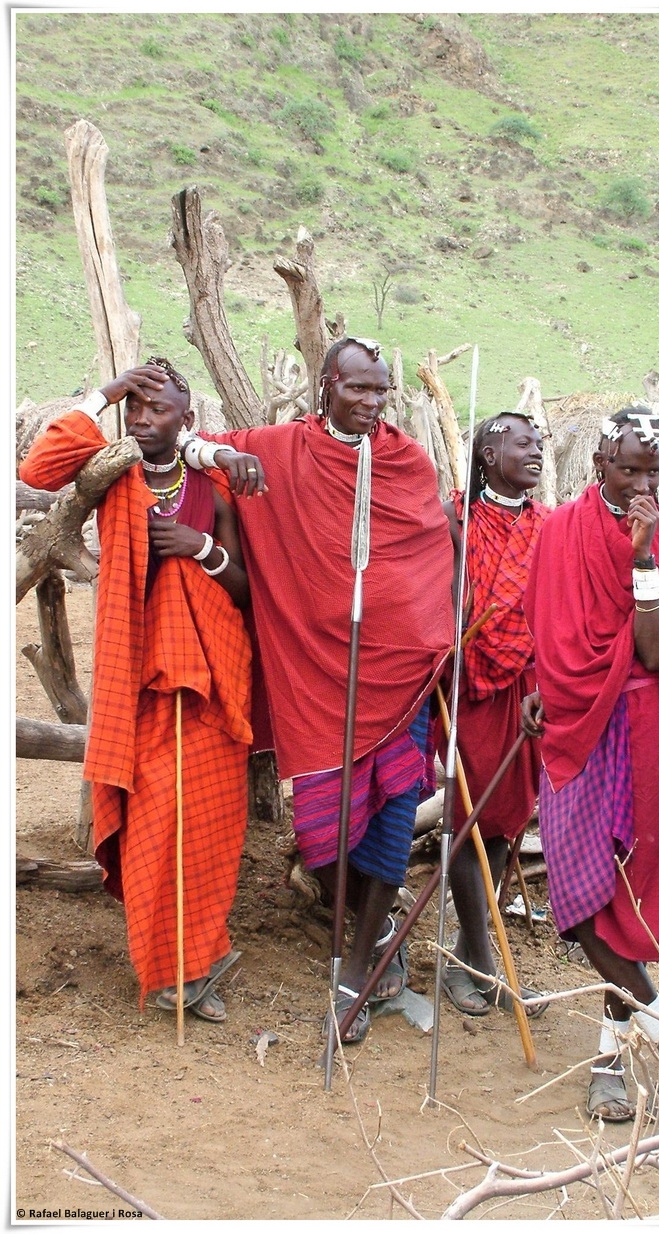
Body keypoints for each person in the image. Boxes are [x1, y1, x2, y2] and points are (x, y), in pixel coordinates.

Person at [179, 337, 455, 1042]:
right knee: (322, 835)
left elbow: (428, 554)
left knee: (394, 821)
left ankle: (356, 969)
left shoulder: (405, 460)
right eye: (357, 389)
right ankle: (375, 925)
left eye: (381, 391)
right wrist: (221, 459)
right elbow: (186, 442)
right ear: (325, 386)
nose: (370, 404)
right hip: (319, 676)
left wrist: (429, 638)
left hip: (398, 680)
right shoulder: (282, 448)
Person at [20, 359, 253, 1024]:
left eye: (159, 408)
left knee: (208, 827)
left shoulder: (214, 485)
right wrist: (108, 390)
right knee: (154, 824)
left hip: (210, 686)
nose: (145, 420)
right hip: (142, 685)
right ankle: (166, 973)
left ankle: (195, 963)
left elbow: (243, 590)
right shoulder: (114, 473)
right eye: (136, 409)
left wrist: (198, 547)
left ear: (188, 417)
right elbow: (39, 469)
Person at [522, 406, 659, 1121]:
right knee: (577, 904)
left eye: (651, 471)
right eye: (626, 466)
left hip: (640, 723)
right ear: (600, 458)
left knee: (617, 899)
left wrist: (642, 558)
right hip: (571, 721)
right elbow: (544, 621)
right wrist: (538, 686)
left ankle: (609, 1057)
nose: (638, 482)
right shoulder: (560, 530)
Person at [436, 412, 550, 1019]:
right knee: (469, 816)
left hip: (528, 689)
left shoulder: (549, 529)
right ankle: (483, 962)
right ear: (485, 454)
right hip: (467, 683)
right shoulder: (454, 518)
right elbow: (435, 591)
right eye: (522, 443)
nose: (536, 452)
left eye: (539, 444)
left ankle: (469, 952)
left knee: (506, 818)